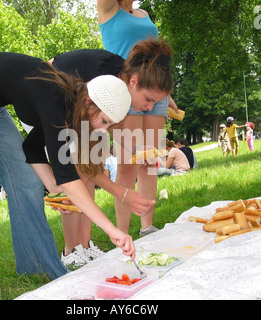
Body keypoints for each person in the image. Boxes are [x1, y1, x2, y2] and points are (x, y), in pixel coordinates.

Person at [0, 52, 141, 299]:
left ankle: (37, 267)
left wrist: (54, 187)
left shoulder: (72, 105)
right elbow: (68, 177)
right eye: (104, 121)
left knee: (28, 180)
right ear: (89, 103)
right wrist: (112, 230)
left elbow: (32, 148)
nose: (101, 129)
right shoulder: (54, 100)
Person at [51, 38, 173, 264]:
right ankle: (70, 251)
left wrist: (140, 153)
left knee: (92, 169)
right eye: (148, 100)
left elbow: (113, 141)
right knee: (77, 175)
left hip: (79, 107)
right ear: (133, 82)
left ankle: (86, 246)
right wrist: (121, 192)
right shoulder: (102, 85)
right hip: (53, 97)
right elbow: (82, 161)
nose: (149, 108)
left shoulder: (123, 85)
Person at [98, 0, 178, 237]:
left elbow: (155, 61)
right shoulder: (108, 9)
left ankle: (147, 228)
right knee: (128, 163)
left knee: (150, 162)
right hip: (126, 91)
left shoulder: (143, 13)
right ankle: (121, 233)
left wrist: (165, 94)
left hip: (154, 91)